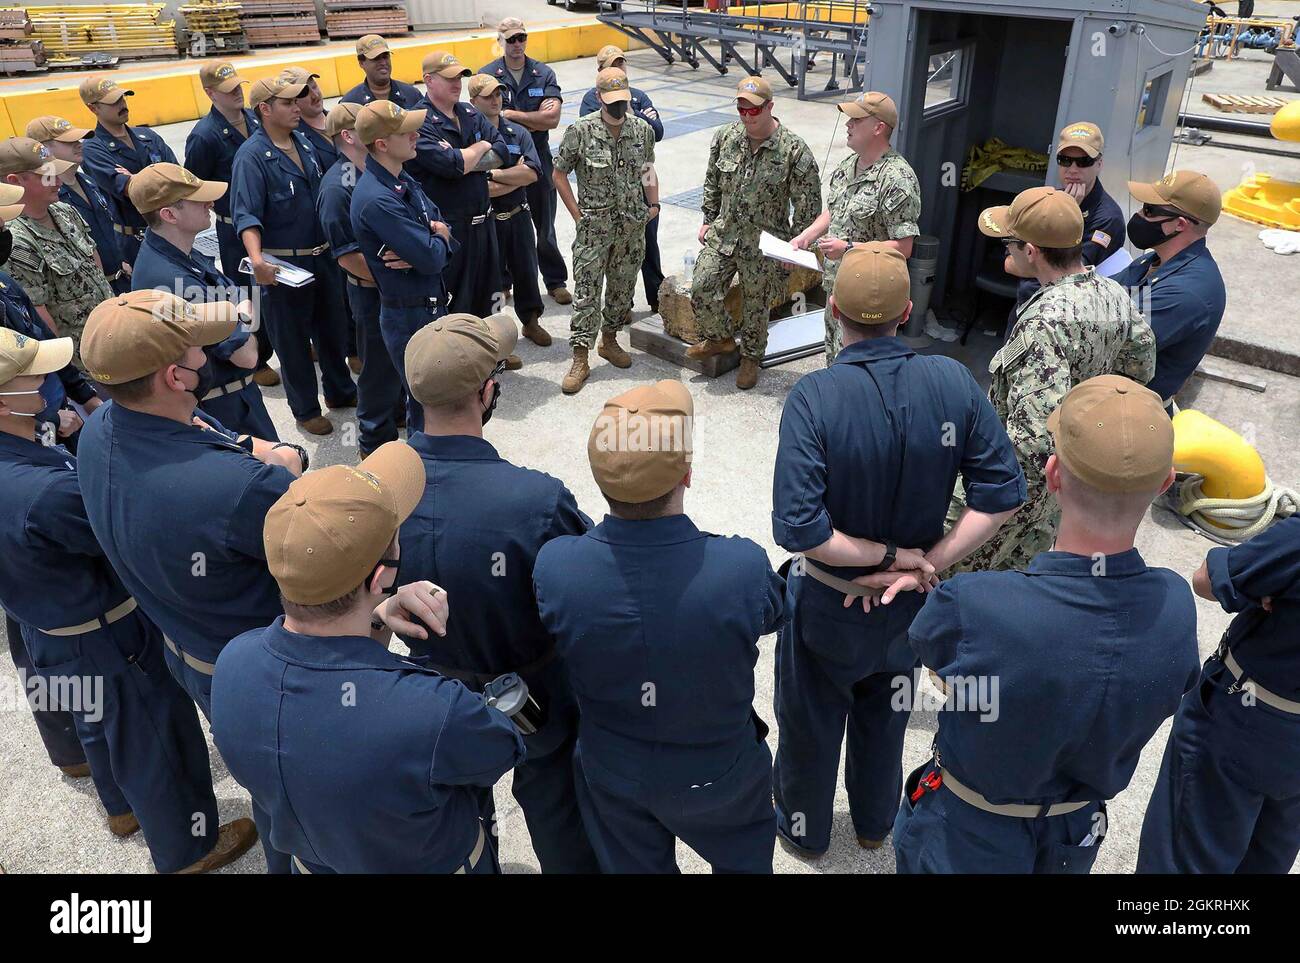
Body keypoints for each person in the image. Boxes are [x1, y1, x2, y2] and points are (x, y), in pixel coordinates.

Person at [770, 244, 1024, 856]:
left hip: (831, 600)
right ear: (908, 311)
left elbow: (798, 529)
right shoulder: (953, 379)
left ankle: (804, 834)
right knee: (886, 716)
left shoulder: (815, 397)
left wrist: (885, 557)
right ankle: (873, 825)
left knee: (809, 725)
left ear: (833, 310)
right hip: (907, 608)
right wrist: (923, 563)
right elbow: (1002, 496)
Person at [895, 375, 1200, 873]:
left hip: (969, 831)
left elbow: (934, 654)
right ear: (1166, 483)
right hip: (1074, 833)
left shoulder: (976, 603)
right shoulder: (1175, 606)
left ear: (1053, 474)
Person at [0, 326, 261, 873]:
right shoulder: (41, 493)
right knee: (156, 738)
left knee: (96, 720)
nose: (52, 383)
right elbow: (120, 529)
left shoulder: (23, 454)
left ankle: (121, 806)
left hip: (45, 625)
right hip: (102, 630)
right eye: (36, 377)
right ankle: (186, 847)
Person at [76, 288, 304, 873]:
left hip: (189, 646)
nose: (210, 355)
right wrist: (286, 470)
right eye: (199, 351)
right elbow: (316, 548)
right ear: (175, 377)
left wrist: (254, 451)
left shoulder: (102, 430)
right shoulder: (235, 489)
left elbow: (204, 438)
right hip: (263, 664)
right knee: (292, 797)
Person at [212, 442, 518, 874]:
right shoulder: (433, 709)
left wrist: (378, 618)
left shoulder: (232, 663)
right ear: (382, 575)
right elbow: (500, 750)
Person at [534, 379, 786, 873]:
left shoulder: (556, 567)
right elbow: (775, 610)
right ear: (686, 474)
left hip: (613, 770)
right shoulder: (739, 566)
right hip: (721, 772)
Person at [396, 312, 599, 872]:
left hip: (431, 693)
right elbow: (585, 586)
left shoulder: (374, 493)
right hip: (536, 696)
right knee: (555, 805)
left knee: (460, 811)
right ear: (489, 391)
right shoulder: (535, 500)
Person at [949, 186, 1155, 573]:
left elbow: (1031, 447)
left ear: (1031, 252)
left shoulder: (1043, 323)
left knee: (957, 583)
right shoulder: (1114, 294)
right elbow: (1138, 374)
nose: (1004, 251)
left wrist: (965, 512)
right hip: (1064, 489)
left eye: (1009, 244)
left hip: (1016, 497)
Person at [1138, 515, 1300, 874]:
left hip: (1247, 718)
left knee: (1184, 856)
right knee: (1269, 856)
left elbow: (1207, 581)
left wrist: (1266, 583)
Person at [231, 75, 356, 436]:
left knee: (332, 329)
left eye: (296, 101)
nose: (296, 107)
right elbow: (246, 215)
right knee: (293, 342)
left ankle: (340, 390)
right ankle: (304, 409)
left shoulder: (304, 141)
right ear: (265, 109)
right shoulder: (252, 157)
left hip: (322, 257)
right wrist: (257, 261)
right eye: (287, 103)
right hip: (285, 265)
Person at [687, 76, 821, 390]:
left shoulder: (794, 151)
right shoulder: (725, 137)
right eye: (741, 110)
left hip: (765, 243)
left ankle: (751, 357)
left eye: (754, 111)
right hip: (725, 234)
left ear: (770, 107)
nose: (747, 117)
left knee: (756, 305)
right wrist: (708, 219)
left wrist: (795, 250)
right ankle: (720, 339)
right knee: (702, 287)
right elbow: (712, 182)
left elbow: (808, 205)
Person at [128, 162, 276, 440]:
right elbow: (246, 356)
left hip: (234, 398)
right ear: (169, 214)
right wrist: (242, 316)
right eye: (197, 200)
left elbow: (236, 294)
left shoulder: (180, 251)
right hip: (224, 409)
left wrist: (235, 311)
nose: (209, 203)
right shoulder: (169, 279)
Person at [789, 91, 920, 363]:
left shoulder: (897, 177)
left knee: (859, 367)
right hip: (837, 287)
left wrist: (848, 248)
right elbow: (835, 210)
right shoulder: (849, 165)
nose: (848, 125)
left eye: (856, 120)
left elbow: (904, 247)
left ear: (878, 127)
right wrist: (806, 236)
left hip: (869, 302)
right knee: (834, 359)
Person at [350, 100, 455, 436]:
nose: (415, 136)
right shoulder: (378, 199)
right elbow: (432, 257)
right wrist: (436, 240)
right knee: (426, 408)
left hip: (428, 307)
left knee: (439, 400)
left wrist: (437, 238)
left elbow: (442, 226)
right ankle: (424, 476)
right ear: (382, 144)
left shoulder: (401, 179)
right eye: (406, 132)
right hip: (410, 316)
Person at [552, 67, 659, 395]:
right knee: (585, 293)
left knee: (622, 290)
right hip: (594, 231)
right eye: (611, 101)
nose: (618, 107)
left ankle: (609, 341)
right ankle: (580, 356)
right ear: (598, 97)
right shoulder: (580, 131)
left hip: (631, 229)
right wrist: (576, 214)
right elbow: (559, 174)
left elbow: (648, 170)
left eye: (623, 101)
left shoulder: (642, 130)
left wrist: (653, 206)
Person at [183, 63, 281, 388]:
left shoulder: (255, 118)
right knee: (250, 290)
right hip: (234, 227)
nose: (238, 92)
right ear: (210, 93)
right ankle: (261, 355)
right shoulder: (204, 136)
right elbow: (195, 183)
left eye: (239, 86)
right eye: (229, 90)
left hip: (269, 221)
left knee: (280, 283)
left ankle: (288, 340)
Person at [316, 102, 402, 456]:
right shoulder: (338, 187)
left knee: (396, 363)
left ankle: (397, 416)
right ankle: (373, 442)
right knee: (377, 371)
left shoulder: (377, 172)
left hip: (391, 289)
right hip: (371, 293)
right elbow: (348, 255)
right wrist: (389, 280)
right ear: (349, 136)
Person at [409, 50, 514, 319]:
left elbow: (502, 153)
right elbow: (448, 166)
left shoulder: (468, 112)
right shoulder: (418, 120)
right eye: (449, 78)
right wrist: (480, 146)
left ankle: (496, 348)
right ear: (428, 80)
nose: (457, 83)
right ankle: (465, 358)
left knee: (493, 294)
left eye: (460, 77)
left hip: (485, 223)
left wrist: (464, 156)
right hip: (451, 229)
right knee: (458, 301)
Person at [1113, 170, 1226, 408]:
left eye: (1149, 210)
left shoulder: (1188, 292)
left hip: (1130, 414)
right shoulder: (1153, 261)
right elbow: (1102, 291)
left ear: (1180, 224)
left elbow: (1110, 341)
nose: (1139, 215)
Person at [0, 179, 103, 440]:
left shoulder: (5, 284)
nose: (5, 230)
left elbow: (43, 339)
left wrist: (84, 395)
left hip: (57, 409)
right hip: (27, 432)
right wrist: (48, 422)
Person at [479, 17, 570, 304]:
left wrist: (512, 115)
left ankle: (555, 281)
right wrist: (534, 120)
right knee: (504, 223)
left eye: (521, 38)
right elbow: (487, 121)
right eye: (511, 40)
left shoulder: (542, 73)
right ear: (500, 42)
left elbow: (552, 119)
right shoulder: (488, 76)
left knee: (545, 226)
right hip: (501, 161)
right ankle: (504, 282)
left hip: (538, 158)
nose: (517, 45)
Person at [3, 137, 114, 370]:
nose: (58, 180)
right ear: (14, 181)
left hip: (112, 337)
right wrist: (73, 376)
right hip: (84, 359)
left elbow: (95, 266)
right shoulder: (15, 239)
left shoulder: (64, 211)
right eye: (47, 175)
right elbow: (39, 315)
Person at [579, 48, 665, 312]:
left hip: (640, 189)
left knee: (648, 247)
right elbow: (594, 134)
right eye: (610, 65)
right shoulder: (591, 100)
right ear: (600, 71)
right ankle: (621, 306)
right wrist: (634, 115)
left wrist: (629, 111)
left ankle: (656, 298)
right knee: (616, 254)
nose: (617, 69)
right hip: (610, 194)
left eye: (620, 64)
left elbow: (657, 132)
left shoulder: (638, 96)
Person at [468, 74, 550, 347]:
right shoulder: (470, 138)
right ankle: (497, 339)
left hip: (518, 215)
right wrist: (512, 176)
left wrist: (492, 174)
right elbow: (477, 188)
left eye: (498, 94)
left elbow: (532, 174)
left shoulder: (517, 131)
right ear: (473, 101)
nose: (495, 100)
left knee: (527, 271)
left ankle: (530, 322)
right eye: (488, 96)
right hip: (486, 221)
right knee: (491, 282)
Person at [1012, 121, 1125, 309]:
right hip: (1025, 305)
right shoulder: (1049, 198)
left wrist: (1067, 213)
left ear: (1099, 164)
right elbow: (1010, 262)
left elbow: (1069, 276)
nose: (1072, 169)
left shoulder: (1107, 218)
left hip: (1064, 314)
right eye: (1065, 160)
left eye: (1083, 162)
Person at [78, 76, 177, 266]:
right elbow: (129, 190)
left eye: (122, 99)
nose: (122, 105)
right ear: (93, 108)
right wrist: (157, 177)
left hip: (172, 229)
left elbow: (180, 178)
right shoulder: (93, 149)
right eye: (113, 102)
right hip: (136, 241)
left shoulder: (147, 136)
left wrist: (138, 178)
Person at [27, 115, 130, 296]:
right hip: (89, 294)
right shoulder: (49, 198)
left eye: (78, 138)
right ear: (43, 148)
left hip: (123, 280)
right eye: (68, 141)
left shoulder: (89, 181)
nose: (78, 144)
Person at [341, 35, 424, 108]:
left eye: (386, 57)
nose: (383, 63)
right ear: (361, 63)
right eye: (376, 58)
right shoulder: (349, 104)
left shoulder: (412, 95)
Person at [281, 67, 339, 172]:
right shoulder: (295, 140)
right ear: (292, 100)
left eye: (314, 87)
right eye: (305, 92)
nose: (315, 95)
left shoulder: (340, 119)